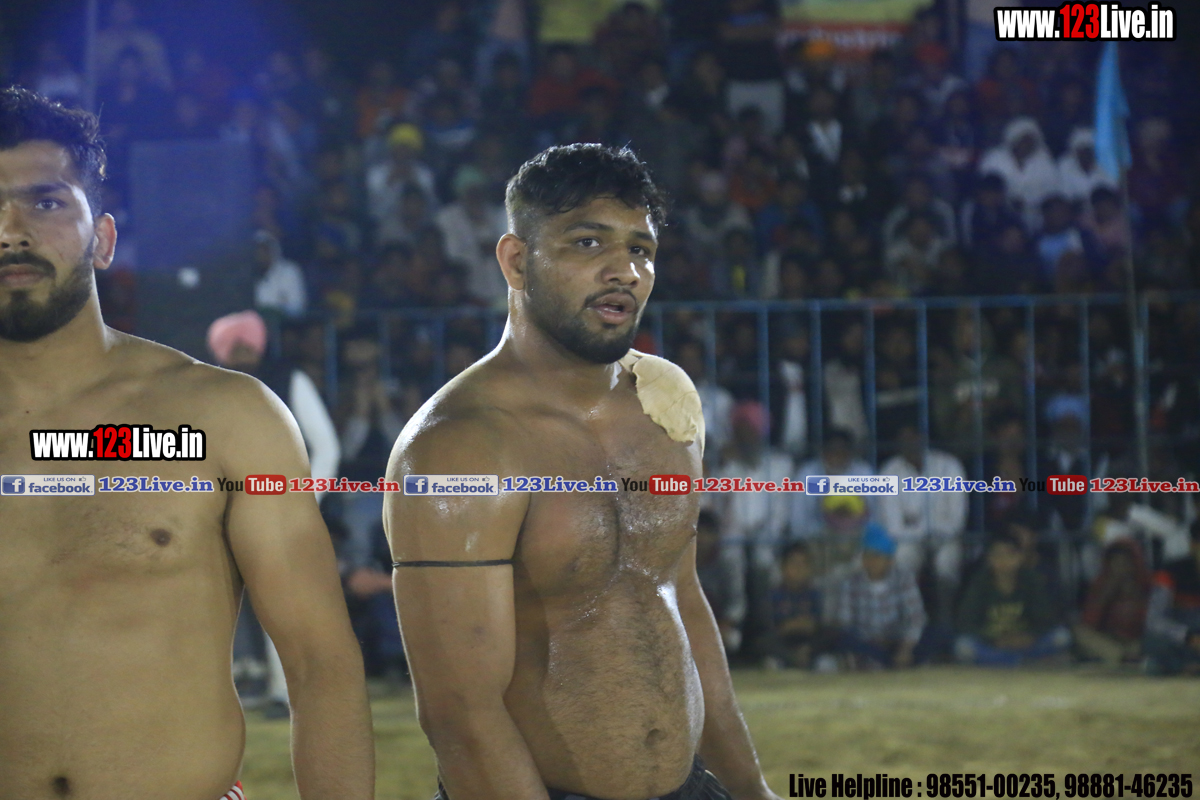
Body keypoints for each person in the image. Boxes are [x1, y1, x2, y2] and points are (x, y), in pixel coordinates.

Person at [0, 87, 372, 798]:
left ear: (103, 239)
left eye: (44, 203)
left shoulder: (225, 417)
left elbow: (322, 663)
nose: (11, 231)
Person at [385, 144, 780, 800]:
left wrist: (750, 789)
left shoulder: (665, 402)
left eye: (641, 249)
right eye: (588, 243)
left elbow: (681, 597)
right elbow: (460, 714)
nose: (625, 271)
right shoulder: (457, 447)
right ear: (517, 261)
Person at [955, 532, 1070, 666]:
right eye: (998, 555)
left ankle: (1007, 662)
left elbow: (1046, 618)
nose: (1004, 560)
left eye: (1009, 554)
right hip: (994, 644)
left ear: (1020, 557)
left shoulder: (1031, 580)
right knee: (964, 647)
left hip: (1026, 643)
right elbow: (966, 622)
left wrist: (1028, 636)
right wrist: (994, 640)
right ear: (989, 558)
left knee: (1061, 637)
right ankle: (1023, 662)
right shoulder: (980, 583)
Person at [830, 523, 926, 669]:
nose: (871, 561)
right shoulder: (851, 584)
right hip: (867, 644)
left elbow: (915, 619)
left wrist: (905, 649)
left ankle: (890, 661)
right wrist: (871, 640)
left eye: (877, 556)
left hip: (898, 642)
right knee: (844, 641)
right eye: (867, 556)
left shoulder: (904, 580)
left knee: (938, 634)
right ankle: (887, 663)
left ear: (890, 560)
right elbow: (845, 623)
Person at [1143, 521, 1200, 675]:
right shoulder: (1170, 574)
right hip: (1179, 641)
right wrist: (1188, 637)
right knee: (1155, 642)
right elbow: (1154, 621)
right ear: (1193, 545)